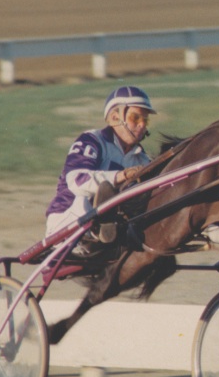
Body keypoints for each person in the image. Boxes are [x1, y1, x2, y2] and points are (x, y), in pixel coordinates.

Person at [45, 85, 156, 253]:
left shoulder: (142, 158)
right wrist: (121, 176)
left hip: (113, 228)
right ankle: (100, 229)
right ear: (114, 117)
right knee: (86, 199)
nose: (142, 125)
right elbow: (77, 180)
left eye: (145, 120)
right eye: (135, 118)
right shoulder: (92, 140)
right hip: (66, 221)